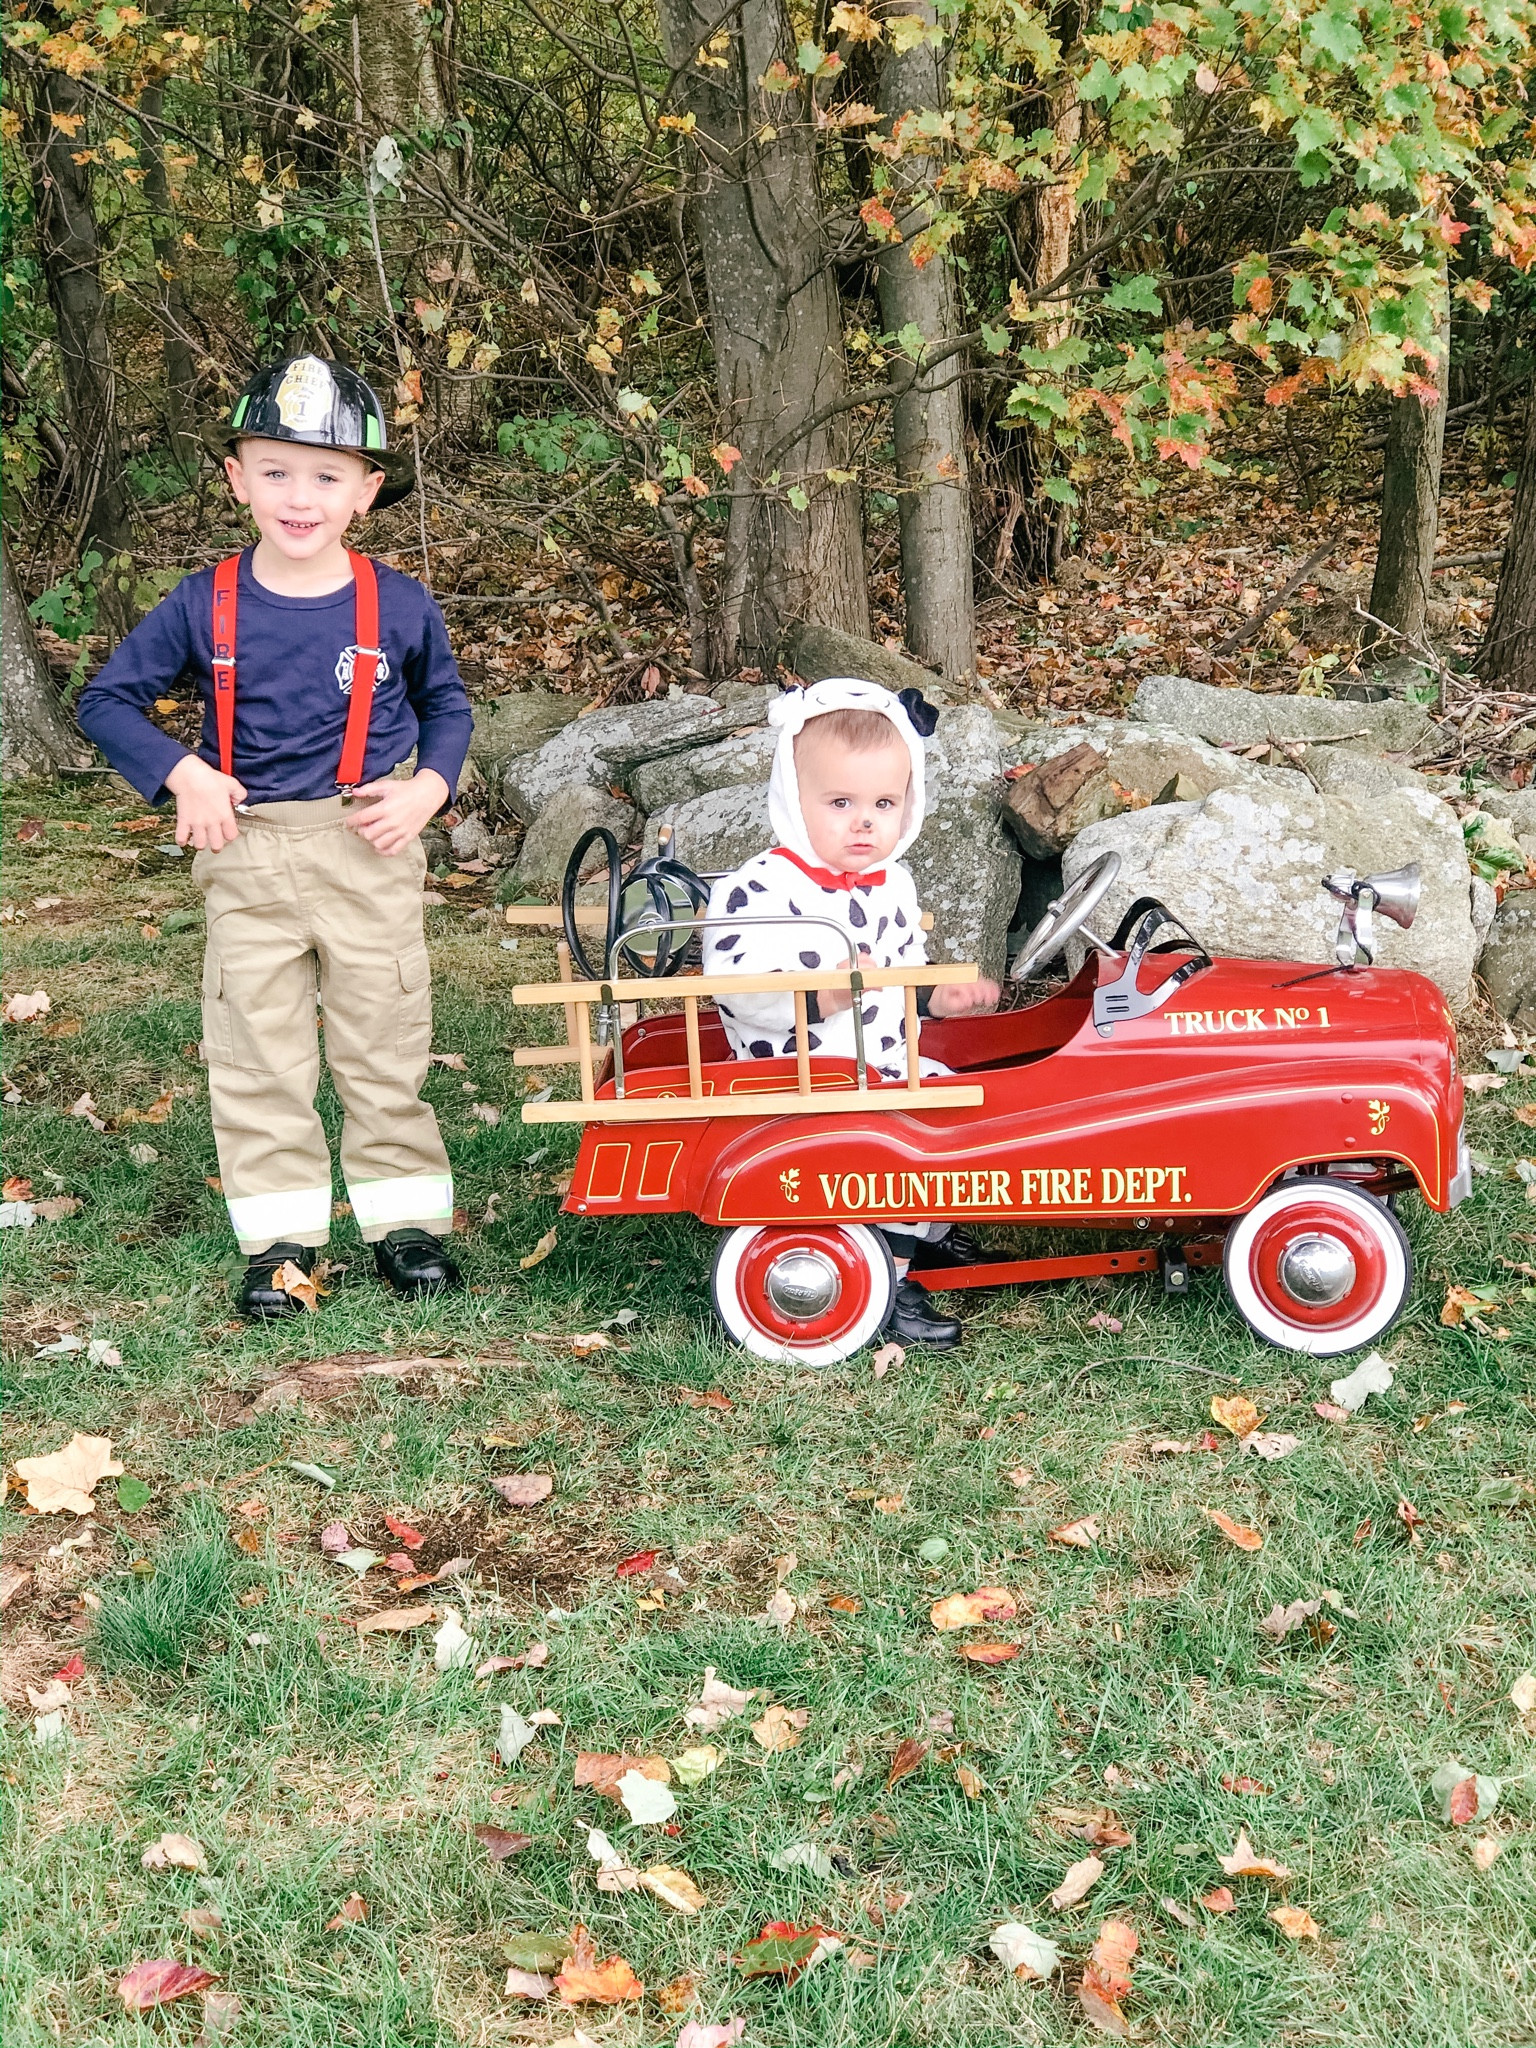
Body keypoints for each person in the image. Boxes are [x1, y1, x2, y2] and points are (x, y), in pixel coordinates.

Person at [78, 355, 473, 1319]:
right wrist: (185, 772)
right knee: (258, 1049)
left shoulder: (399, 604)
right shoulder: (201, 601)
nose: (301, 497)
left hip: (366, 844)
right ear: (236, 477)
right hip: (248, 852)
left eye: (327, 475)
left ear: (367, 491)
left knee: (384, 1039)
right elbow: (108, 701)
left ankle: (404, 1222)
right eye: (276, 470)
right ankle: (282, 1243)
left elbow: (447, 708)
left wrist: (428, 788)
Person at [703, 676, 1002, 1348]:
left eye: (884, 802)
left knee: (960, 1104)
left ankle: (930, 1230)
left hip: (879, 1062)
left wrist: (934, 992)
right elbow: (739, 985)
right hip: (798, 1072)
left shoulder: (893, 880)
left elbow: (904, 964)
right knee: (897, 1143)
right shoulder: (761, 886)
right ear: (793, 796)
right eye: (840, 801)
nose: (864, 821)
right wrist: (826, 991)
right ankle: (889, 1277)